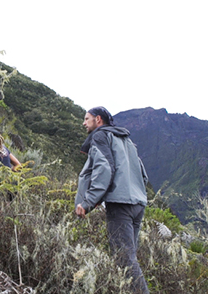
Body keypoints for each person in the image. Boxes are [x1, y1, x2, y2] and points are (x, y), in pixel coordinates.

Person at [75, 106, 150, 294]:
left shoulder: (100, 137)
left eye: (86, 119)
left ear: (98, 120)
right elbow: (143, 175)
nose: (84, 123)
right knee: (129, 258)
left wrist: (89, 202)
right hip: (138, 203)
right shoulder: (126, 140)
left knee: (124, 258)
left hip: (121, 204)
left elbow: (104, 169)